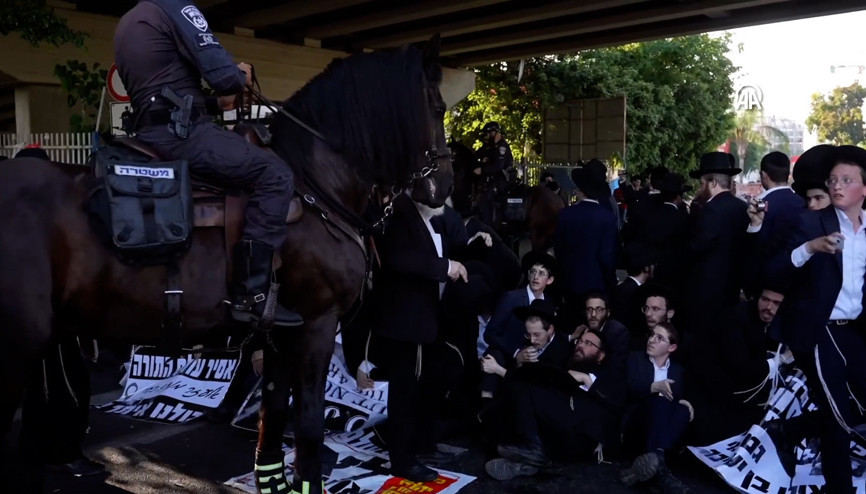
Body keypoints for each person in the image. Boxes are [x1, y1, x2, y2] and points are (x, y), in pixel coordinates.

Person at [113, 0, 300, 327]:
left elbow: (163, 96)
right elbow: (225, 77)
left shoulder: (128, 22)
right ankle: (252, 295)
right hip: (184, 139)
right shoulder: (177, 8)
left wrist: (215, 104)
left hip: (149, 135)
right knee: (276, 173)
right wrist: (240, 74)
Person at [766, 145, 866, 493]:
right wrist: (809, 249)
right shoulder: (812, 222)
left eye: (847, 180)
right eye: (833, 179)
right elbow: (773, 270)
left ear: (864, 189)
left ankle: (788, 431)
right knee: (837, 416)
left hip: (854, 331)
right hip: (818, 331)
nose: (837, 186)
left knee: (854, 408)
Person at [372, 191, 468, 482]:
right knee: (404, 392)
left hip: (429, 320)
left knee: (426, 387)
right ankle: (402, 460)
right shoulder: (399, 211)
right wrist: (445, 267)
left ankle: (420, 445)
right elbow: (397, 258)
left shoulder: (430, 217)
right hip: (406, 323)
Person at [620, 322, 692, 494]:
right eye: (652, 335)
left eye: (659, 338)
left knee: (683, 410)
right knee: (660, 401)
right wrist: (654, 387)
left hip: (659, 433)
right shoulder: (635, 358)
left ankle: (653, 462)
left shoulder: (677, 371)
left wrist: (683, 402)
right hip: (636, 426)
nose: (651, 340)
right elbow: (627, 389)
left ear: (672, 347)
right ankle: (661, 468)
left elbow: (675, 404)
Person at [684, 152, 749, 336]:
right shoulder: (741, 207)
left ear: (712, 183)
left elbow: (698, 246)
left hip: (707, 290)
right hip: (732, 287)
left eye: (702, 183)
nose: (700, 187)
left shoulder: (711, 209)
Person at [473, 121, 513, 227]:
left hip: (502, 179)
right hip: (492, 178)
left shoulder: (501, 147)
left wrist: (482, 169)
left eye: (487, 134)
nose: (486, 137)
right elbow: (476, 154)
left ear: (494, 133)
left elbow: (497, 166)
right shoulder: (489, 146)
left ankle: (489, 225)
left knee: (488, 196)